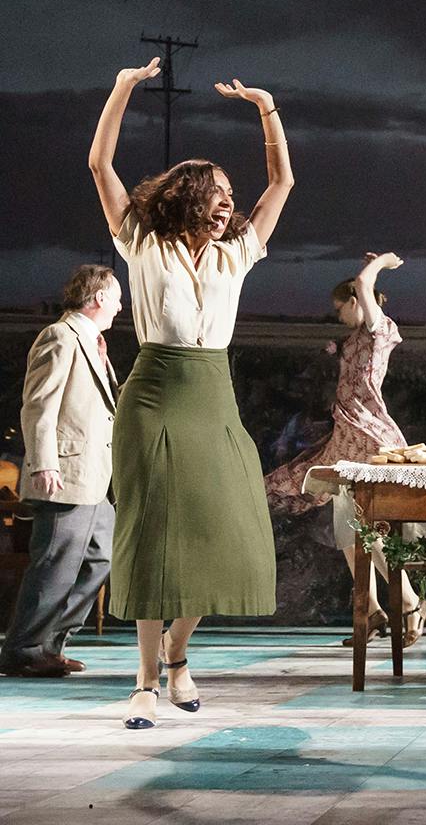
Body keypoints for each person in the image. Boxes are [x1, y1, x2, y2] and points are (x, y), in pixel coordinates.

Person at [88, 57, 293, 729]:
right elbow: (100, 165)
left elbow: (282, 182)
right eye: (218, 192)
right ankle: (146, 680)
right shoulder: (142, 241)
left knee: (226, 533)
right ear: (187, 197)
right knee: (154, 535)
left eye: (231, 193)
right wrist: (122, 89)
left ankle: (179, 651)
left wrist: (265, 108)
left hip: (213, 397)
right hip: (153, 396)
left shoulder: (238, 252)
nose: (229, 201)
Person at [264, 252, 426, 649]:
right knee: (348, 529)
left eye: (341, 308)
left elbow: (364, 284)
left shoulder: (378, 329)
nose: (338, 316)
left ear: (356, 301)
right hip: (345, 438)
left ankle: (409, 602)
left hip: (368, 438)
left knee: (364, 528)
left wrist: (381, 262)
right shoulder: (356, 337)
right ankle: (370, 611)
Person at [0, 266, 121, 678]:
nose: (120, 306)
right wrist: (45, 461)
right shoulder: (59, 336)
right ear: (99, 297)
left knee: (99, 559)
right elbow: (39, 405)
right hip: (66, 472)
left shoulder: (93, 343)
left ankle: (50, 644)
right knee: (55, 563)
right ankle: (23, 649)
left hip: (95, 477)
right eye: (116, 297)